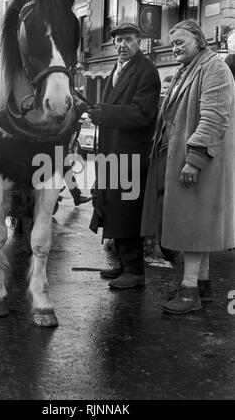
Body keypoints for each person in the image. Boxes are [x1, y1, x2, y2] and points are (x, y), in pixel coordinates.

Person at [141, 20, 235, 314]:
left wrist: (194, 160)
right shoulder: (189, 69)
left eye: (181, 42)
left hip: (199, 162)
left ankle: (189, 291)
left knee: (193, 226)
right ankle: (202, 285)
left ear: (199, 40)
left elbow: (214, 118)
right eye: (173, 43)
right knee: (198, 225)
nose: (175, 47)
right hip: (184, 158)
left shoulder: (214, 68)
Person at [86, 21, 161, 289]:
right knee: (112, 206)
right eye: (118, 40)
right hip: (112, 152)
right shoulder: (114, 71)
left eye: (128, 40)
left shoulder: (147, 71)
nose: (122, 45)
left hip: (130, 154)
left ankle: (134, 270)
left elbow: (143, 113)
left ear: (138, 42)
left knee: (127, 211)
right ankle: (122, 262)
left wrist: (104, 113)